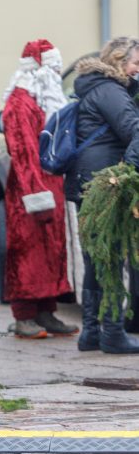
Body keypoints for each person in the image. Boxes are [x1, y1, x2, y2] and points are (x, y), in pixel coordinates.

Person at [65, 36, 139, 354]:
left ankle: (91, 333)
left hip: (87, 180)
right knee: (108, 257)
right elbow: (135, 130)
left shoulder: (94, 86)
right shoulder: (110, 90)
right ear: (120, 61)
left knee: (94, 258)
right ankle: (111, 332)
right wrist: (127, 170)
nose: (138, 68)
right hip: (105, 181)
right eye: (136, 61)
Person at [1, 39, 77, 339]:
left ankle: (47, 311)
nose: (58, 73)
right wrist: (36, 193)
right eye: (55, 67)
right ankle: (24, 316)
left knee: (50, 252)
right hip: (28, 191)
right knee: (27, 253)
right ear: (41, 69)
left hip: (50, 186)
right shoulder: (20, 103)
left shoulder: (42, 100)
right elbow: (23, 152)